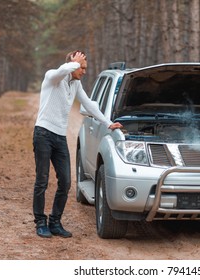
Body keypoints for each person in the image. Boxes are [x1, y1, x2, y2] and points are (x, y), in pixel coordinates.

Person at [33, 50, 122, 238]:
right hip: (43, 134)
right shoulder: (52, 77)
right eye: (81, 67)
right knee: (42, 180)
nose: (83, 71)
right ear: (71, 65)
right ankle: (40, 223)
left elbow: (89, 105)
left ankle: (55, 222)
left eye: (85, 68)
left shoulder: (76, 84)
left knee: (65, 182)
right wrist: (73, 63)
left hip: (59, 137)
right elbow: (61, 71)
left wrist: (108, 123)